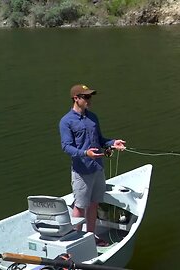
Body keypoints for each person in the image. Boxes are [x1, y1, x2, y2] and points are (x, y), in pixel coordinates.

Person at [59, 84, 126, 246]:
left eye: (90, 97)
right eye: (86, 97)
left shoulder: (93, 117)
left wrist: (112, 143)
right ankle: (74, 240)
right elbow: (66, 146)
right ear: (76, 98)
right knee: (80, 207)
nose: (90, 100)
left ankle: (91, 236)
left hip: (98, 169)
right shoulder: (66, 121)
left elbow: (101, 140)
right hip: (82, 172)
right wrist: (85, 153)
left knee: (94, 203)